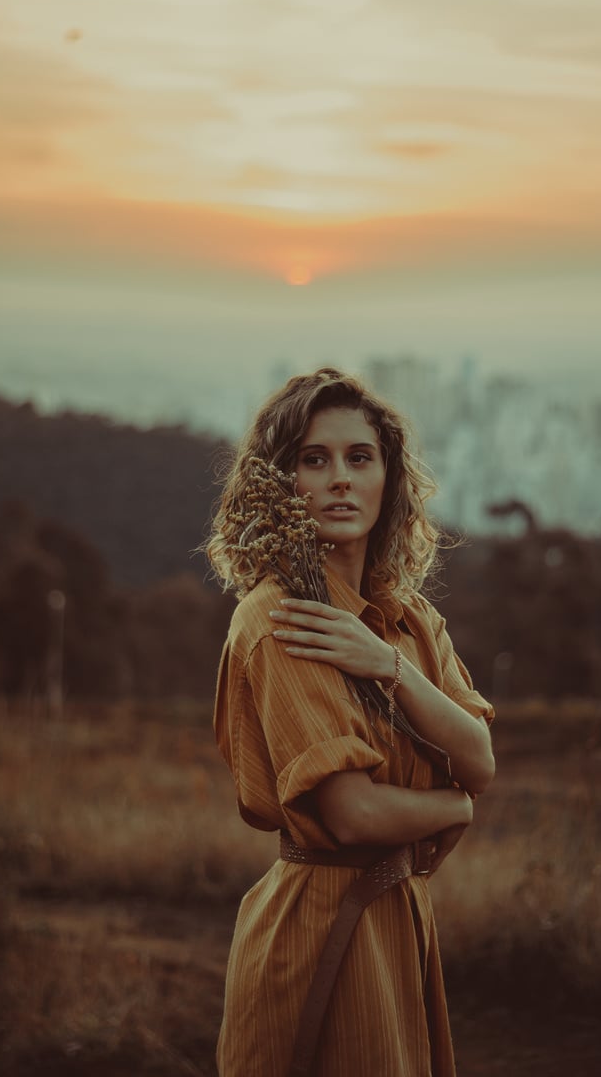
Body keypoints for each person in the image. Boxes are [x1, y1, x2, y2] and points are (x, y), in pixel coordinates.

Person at [205, 367, 495, 1077]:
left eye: (359, 458)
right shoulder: (280, 619)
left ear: (388, 479)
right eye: (313, 459)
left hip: (399, 923)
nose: (339, 478)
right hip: (318, 934)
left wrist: (388, 666)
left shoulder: (410, 619)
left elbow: (481, 755)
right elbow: (354, 814)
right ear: (281, 484)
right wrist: (451, 805)